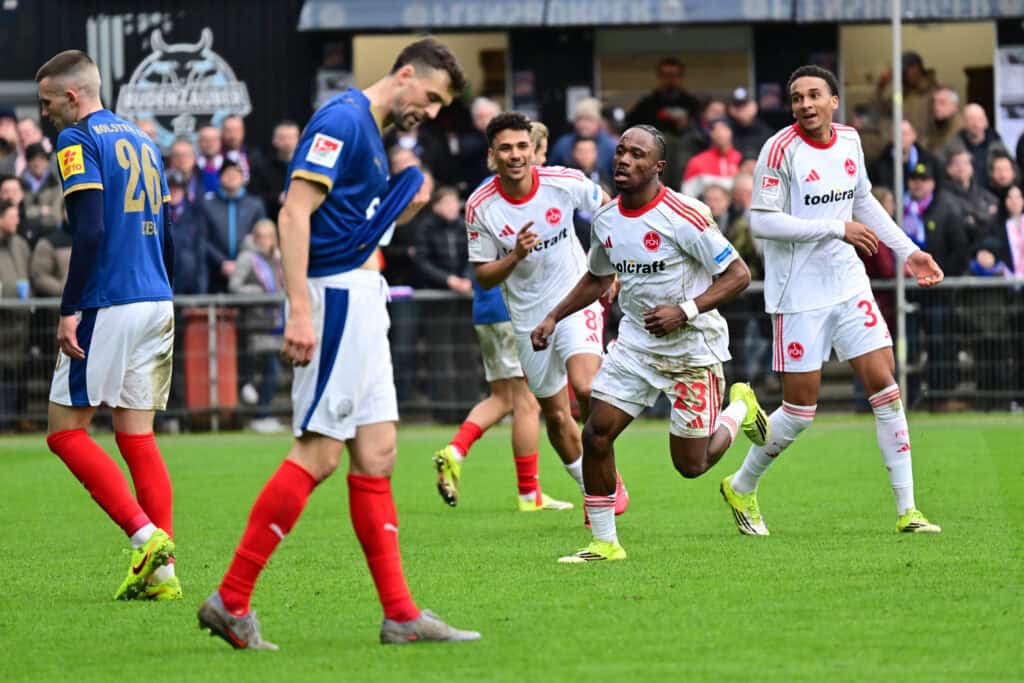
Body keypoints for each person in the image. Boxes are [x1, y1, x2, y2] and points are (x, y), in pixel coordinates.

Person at [198, 37, 480, 649]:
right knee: (319, 454)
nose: (430, 113)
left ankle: (401, 615)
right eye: (429, 98)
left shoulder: (370, 134)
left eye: (439, 108)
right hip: (333, 300)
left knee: (377, 453)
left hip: (361, 293)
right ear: (404, 74)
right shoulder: (344, 119)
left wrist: (400, 207)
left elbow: (347, 221)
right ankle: (231, 599)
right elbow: (293, 214)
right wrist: (298, 310)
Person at [720, 65, 946, 536]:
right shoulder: (779, 150)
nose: (805, 104)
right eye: (797, 97)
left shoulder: (848, 141)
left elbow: (862, 200)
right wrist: (835, 228)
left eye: (814, 95)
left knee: (885, 389)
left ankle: (909, 510)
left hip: (848, 284)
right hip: (798, 293)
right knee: (801, 411)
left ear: (834, 100)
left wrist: (908, 252)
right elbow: (761, 222)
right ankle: (742, 483)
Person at [530, 125, 766, 562]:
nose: (623, 160)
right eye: (620, 151)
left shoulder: (686, 215)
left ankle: (740, 409)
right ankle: (605, 542)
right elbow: (598, 278)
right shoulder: (605, 219)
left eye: (637, 155)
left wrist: (686, 310)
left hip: (693, 349)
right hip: (637, 346)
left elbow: (738, 275)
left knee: (691, 465)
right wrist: (553, 315)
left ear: (658, 167)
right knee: (596, 433)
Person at [36, 50, 180, 599]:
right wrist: (164, 290)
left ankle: (146, 538)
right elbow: (167, 229)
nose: (45, 111)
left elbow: (90, 230)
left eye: (49, 101)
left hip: (108, 301)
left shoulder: (77, 140)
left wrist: (70, 307)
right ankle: (163, 577)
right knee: (136, 436)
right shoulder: (145, 139)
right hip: (155, 297)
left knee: (65, 431)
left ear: (72, 96)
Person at [446, 111, 630, 525]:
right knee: (555, 416)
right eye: (506, 148)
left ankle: (608, 482)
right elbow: (484, 275)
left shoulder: (562, 182)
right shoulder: (481, 206)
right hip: (529, 320)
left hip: (575, 299)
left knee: (585, 387)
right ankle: (593, 489)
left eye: (522, 146)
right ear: (492, 156)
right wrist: (515, 255)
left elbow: (608, 208)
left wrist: (611, 265)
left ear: (533, 149)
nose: (516, 155)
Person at [411, 185, 479, 423]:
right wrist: (448, 280)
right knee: (440, 355)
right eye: (447, 203)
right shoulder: (425, 228)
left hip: (462, 299)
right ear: (437, 206)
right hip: (435, 299)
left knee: (466, 354)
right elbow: (422, 261)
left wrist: (466, 279)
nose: (452, 208)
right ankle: (444, 411)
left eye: (454, 203)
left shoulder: (464, 227)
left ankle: (469, 408)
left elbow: (475, 254)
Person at [229, 219, 285, 433]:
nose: (266, 240)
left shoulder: (278, 258)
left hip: (274, 323)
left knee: (271, 370)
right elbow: (235, 285)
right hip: (254, 323)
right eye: (261, 236)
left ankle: (263, 413)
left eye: (270, 235)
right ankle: (262, 415)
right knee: (268, 369)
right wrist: (259, 293)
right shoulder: (247, 258)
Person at [199, 159, 267, 293]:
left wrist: (241, 263)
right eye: (227, 174)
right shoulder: (207, 205)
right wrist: (222, 262)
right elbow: (202, 238)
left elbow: (262, 237)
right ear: (219, 178)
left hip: (248, 270)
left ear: (243, 178)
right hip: (214, 272)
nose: (231, 177)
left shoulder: (255, 205)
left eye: (235, 174)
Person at [0, 198, 32, 429]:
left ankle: (9, 421)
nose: (17, 220)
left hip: (20, 321)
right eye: (13, 216)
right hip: (3, 319)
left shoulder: (20, 244)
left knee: (13, 373)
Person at [625, 58, 700, 136]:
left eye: (673, 75)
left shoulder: (692, 103)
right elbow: (631, 128)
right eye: (666, 75)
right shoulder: (646, 104)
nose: (670, 80)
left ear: (681, 77)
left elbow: (701, 129)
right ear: (659, 77)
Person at [944, 104, 1008, 187]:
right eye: (971, 119)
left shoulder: (997, 144)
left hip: (993, 194)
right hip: (961, 194)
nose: (976, 124)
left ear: (986, 122)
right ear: (963, 123)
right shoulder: (952, 146)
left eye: (979, 119)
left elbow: (1014, 172)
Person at [549, 98, 618, 174]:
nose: (583, 125)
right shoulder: (563, 145)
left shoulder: (610, 146)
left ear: (599, 122)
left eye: (589, 119)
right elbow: (551, 174)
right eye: (579, 119)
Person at [868, 120, 938, 192]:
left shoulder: (930, 161)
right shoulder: (878, 166)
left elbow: (938, 190)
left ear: (914, 135)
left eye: (904, 134)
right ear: (891, 137)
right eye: (896, 134)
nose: (900, 138)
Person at [250, 120, 300, 220]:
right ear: (274, 140)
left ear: (299, 140)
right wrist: (277, 198)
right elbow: (255, 197)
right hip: (272, 222)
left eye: (291, 137)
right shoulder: (262, 168)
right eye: (283, 138)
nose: (287, 142)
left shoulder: (307, 168)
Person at [682, 118, 741, 197]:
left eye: (724, 129)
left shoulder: (741, 159)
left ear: (731, 132)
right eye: (715, 130)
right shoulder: (697, 161)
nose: (720, 133)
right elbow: (687, 194)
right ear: (710, 133)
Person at [20, 143, 63, 237]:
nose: (37, 163)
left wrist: (33, 215)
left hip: (51, 232)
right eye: (33, 159)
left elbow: (56, 216)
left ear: (47, 161)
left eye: (41, 159)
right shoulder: (20, 184)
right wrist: (41, 210)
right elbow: (22, 213)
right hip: (25, 233)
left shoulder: (55, 184)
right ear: (27, 163)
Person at [727, 87, 773, 161]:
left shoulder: (767, 133)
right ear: (730, 109)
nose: (741, 109)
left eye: (745, 105)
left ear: (754, 106)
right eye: (737, 105)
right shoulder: (726, 132)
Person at [923, 86, 961, 158]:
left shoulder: (961, 131)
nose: (936, 107)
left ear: (954, 106)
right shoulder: (933, 126)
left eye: (942, 102)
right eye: (934, 102)